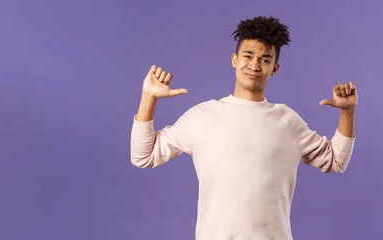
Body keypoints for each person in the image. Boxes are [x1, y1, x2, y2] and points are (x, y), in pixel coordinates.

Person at [129, 16, 357, 239]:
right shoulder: (204, 116)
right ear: (234, 59)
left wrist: (347, 111)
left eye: (265, 60)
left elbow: (336, 160)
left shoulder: (287, 120)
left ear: (274, 68)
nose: (255, 65)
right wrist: (148, 98)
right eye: (248, 56)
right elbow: (143, 156)